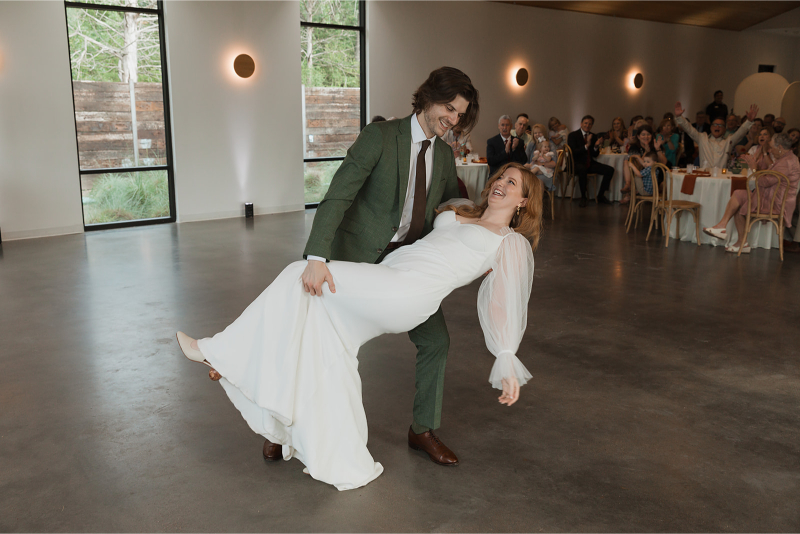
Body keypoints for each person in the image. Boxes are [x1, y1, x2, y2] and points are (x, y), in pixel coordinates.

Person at [176, 162, 543, 491]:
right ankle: (330, 451)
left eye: (512, 183)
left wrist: (506, 356)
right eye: (501, 177)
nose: (501, 183)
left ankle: (218, 352)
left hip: (407, 293)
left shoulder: (508, 243)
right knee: (326, 340)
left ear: (524, 202)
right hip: (388, 274)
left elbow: (503, 304)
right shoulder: (463, 211)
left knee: (298, 275)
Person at [264, 67, 479, 469]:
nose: (453, 120)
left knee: (436, 341)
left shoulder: (446, 156)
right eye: (449, 109)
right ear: (428, 98)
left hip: (407, 267)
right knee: (316, 342)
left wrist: (487, 237)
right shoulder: (379, 137)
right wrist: (316, 258)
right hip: (354, 258)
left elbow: (453, 209)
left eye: (460, 115)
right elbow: (337, 197)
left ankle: (422, 430)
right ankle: (282, 427)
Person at [703, 133, 799, 253]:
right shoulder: (787, 158)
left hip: (775, 202)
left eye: (771, 147)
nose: (770, 150)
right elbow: (768, 178)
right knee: (738, 194)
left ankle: (737, 239)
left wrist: (754, 168)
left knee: (740, 202)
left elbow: (765, 182)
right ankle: (724, 228)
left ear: (779, 147)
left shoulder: (786, 162)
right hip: (769, 197)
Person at [675, 101, 757, 169]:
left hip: (722, 177)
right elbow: (689, 129)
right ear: (710, 127)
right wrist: (679, 117)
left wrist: (749, 121)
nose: (717, 126)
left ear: (725, 129)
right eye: (715, 124)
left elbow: (740, 133)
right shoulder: (702, 138)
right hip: (705, 177)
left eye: (720, 125)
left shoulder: (728, 141)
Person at [567, 115, 615, 206]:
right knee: (582, 169)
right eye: (585, 123)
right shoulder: (573, 135)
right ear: (581, 124)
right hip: (576, 163)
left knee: (610, 170)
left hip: (589, 163)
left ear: (592, 125)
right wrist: (587, 145)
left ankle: (601, 195)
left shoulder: (594, 136)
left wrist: (596, 146)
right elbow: (573, 152)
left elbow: (595, 155)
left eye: (590, 124)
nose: (587, 125)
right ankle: (583, 197)